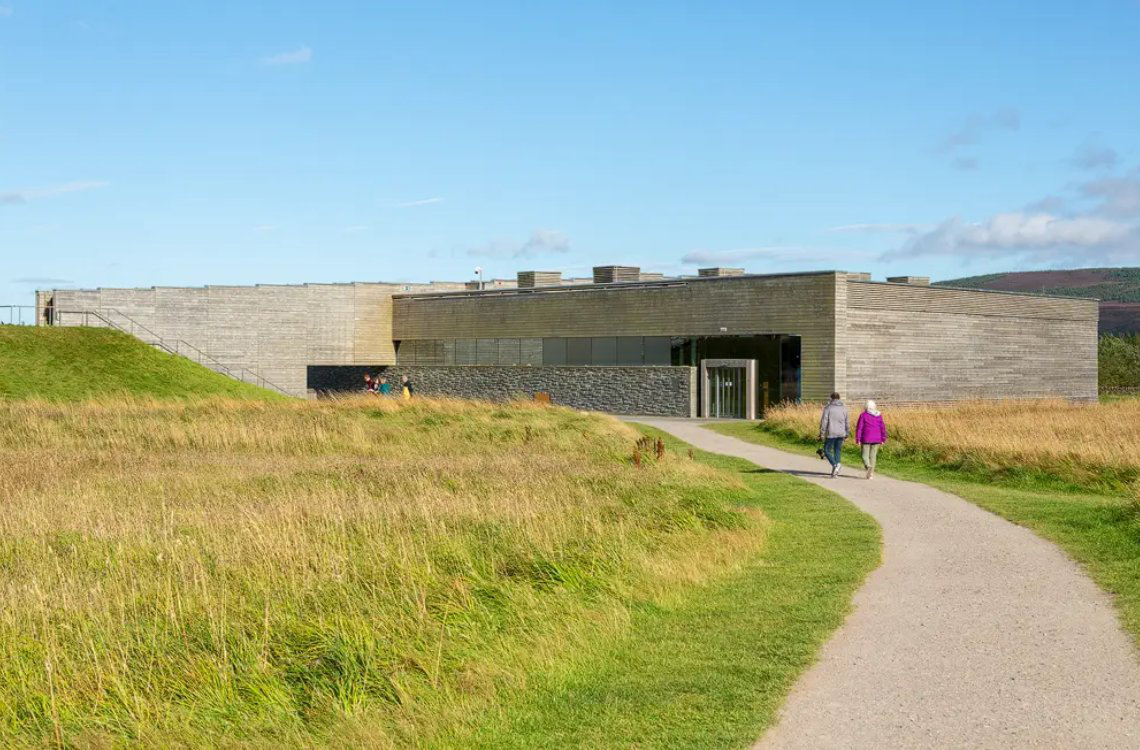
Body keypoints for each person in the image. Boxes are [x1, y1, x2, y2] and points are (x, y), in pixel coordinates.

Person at [818, 392, 849, 478]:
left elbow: (824, 422)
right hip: (841, 433)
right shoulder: (844, 409)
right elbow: (847, 422)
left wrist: (822, 433)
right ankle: (835, 472)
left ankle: (835, 465)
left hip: (831, 433)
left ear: (831, 398)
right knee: (837, 450)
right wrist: (847, 433)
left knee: (827, 450)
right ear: (839, 398)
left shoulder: (828, 408)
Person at [855, 399, 887, 479]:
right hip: (877, 439)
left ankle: (868, 466)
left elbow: (859, 428)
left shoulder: (863, 415)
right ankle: (871, 474)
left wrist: (858, 439)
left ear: (866, 406)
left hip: (866, 438)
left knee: (864, 455)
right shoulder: (879, 415)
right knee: (873, 456)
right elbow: (882, 427)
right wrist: (883, 438)